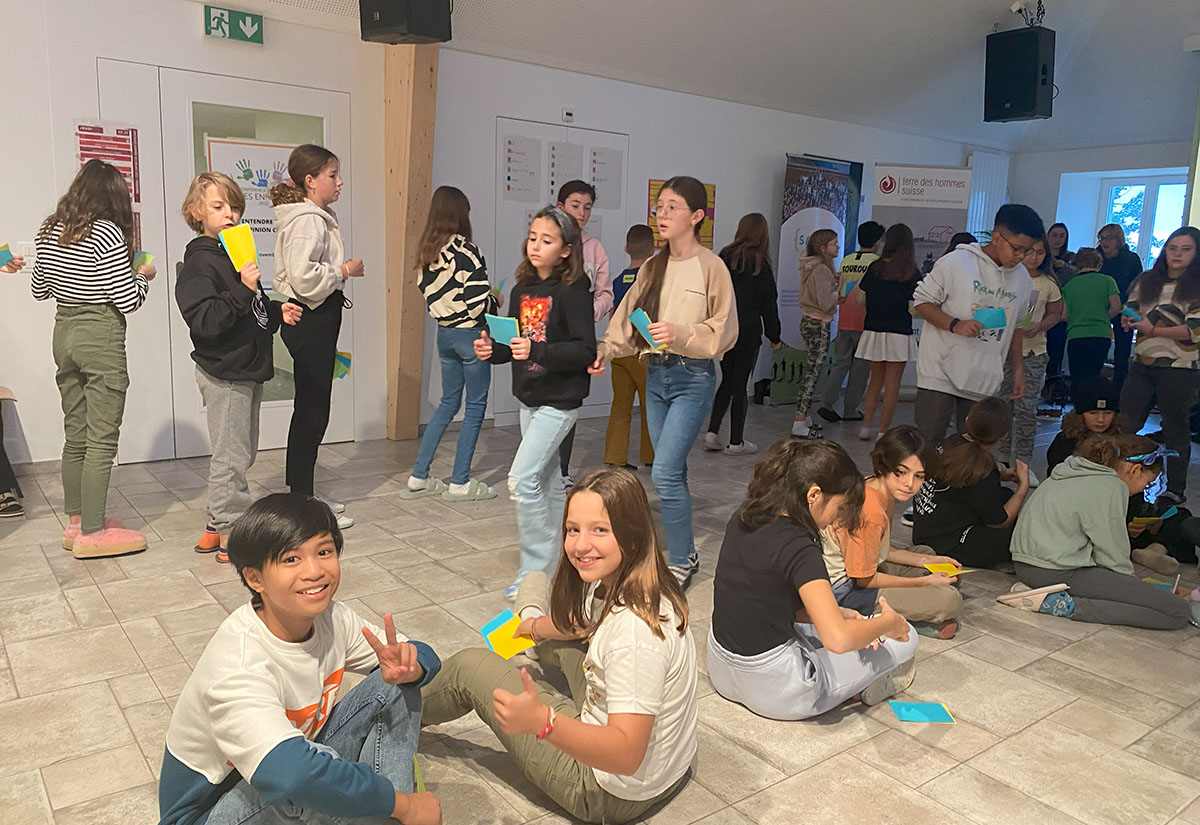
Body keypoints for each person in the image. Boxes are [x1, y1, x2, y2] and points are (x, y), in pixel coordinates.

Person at [422, 468, 697, 824]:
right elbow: (582, 623)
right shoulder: (641, 584)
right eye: (573, 529)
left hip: (608, 792)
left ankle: (379, 717)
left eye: (600, 529)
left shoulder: (633, 636)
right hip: (667, 771)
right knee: (552, 617)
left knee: (469, 667)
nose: (581, 545)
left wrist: (543, 721)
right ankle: (531, 626)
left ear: (632, 533)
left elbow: (627, 753)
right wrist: (534, 627)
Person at [157, 493, 442, 825]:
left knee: (395, 685)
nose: (315, 571)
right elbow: (287, 775)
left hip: (278, 771)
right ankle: (397, 811)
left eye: (324, 552)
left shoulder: (334, 618)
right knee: (304, 780)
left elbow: (425, 657)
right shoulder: (239, 663)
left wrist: (411, 664)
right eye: (291, 559)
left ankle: (389, 815)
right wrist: (403, 805)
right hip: (213, 812)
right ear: (255, 578)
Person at [589, 176, 737, 588]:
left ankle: (683, 556)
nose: (662, 214)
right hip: (655, 374)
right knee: (672, 471)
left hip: (693, 377)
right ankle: (682, 545)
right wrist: (605, 349)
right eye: (659, 206)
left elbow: (725, 330)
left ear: (696, 216)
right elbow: (625, 316)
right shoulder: (652, 266)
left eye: (672, 206)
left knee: (666, 471)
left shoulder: (712, 267)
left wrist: (683, 333)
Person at [707, 439, 917, 721]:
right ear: (814, 495)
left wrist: (841, 613)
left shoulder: (744, 516)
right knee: (906, 641)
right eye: (840, 508)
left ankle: (859, 679)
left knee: (839, 629)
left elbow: (762, 603)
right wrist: (889, 623)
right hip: (780, 690)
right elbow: (838, 639)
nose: (835, 520)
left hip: (720, 667)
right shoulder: (801, 546)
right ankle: (867, 682)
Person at [31, 159, 156, 558]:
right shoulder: (107, 233)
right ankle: (94, 530)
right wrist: (145, 275)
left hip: (63, 331)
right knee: (102, 438)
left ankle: (76, 522)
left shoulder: (50, 228)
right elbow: (127, 299)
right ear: (113, 195)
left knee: (76, 433)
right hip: (98, 333)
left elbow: (38, 288)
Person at [177, 172, 303, 563]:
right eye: (218, 207)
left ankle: (215, 527)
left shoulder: (233, 253)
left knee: (240, 452)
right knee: (231, 456)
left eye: (234, 207)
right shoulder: (200, 262)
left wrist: (275, 309)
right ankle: (233, 531)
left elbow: (250, 306)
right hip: (225, 371)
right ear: (197, 212)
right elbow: (206, 320)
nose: (229, 214)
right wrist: (243, 289)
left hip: (245, 367)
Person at [476, 206, 596, 598]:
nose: (536, 246)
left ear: (566, 249)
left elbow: (583, 350)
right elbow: (515, 346)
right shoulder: (522, 289)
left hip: (560, 401)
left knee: (521, 480)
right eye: (532, 237)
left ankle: (534, 571)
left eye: (547, 240)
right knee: (543, 482)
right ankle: (564, 563)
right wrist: (491, 350)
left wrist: (537, 349)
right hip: (529, 396)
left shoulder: (573, 291)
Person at [1004, 435, 1196, 630]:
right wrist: (1132, 589)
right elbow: (1113, 554)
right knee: (1177, 611)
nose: (1143, 490)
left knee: (1137, 595)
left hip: (1025, 566)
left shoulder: (1072, 471)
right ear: (1135, 470)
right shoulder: (1111, 486)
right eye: (1147, 483)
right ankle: (1067, 606)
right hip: (1054, 571)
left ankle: (1049, 596)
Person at [270, 144, 360, 530]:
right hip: (311, 317)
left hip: (316, 318)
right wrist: (343, 270)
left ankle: (303, 494)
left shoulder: (314, 217)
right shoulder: (308, 220)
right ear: (310, 182)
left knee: (312, 406)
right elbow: (305, 279)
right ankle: (302, 501)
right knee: (312, 410)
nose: (339, 182)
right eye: (332, 175)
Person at [912, 204, 1042, 445]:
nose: (1021, 257)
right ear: (996, 237)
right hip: (939, 372)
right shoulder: (956, 263)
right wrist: (954, 324)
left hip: (984, 375)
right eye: (1016, 248)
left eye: (1027, 251)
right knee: (929, 444)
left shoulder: (1022, 278)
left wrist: (1018, 368)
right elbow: (921, 302)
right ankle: (925, 484)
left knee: (972, 448)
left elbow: (1016, 326)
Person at [401, 186, 498, 503]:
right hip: (472, 335)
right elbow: (476, 304)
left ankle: (419, 476)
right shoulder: (467, 252)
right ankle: (460, 482)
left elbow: (429, 296)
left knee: (447, 403)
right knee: (475, 407)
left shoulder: (425, 254)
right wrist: (493, 302)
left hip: (443, 334)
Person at [1048, 378, 1200, 571]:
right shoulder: (1065, 443)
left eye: (1107, 413)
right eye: (1093, 413)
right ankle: (1148, 547)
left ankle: (1154, 550)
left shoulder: (1123, 440)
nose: (1101, 419)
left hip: (1129, 511)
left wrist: (1145, 518)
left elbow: (1136, 484)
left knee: (1177, 515)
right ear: (1080, 414)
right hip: (1094, 516)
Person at [826, 426, 963, 638]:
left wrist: (925, 560)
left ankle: (904, 613)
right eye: (901, 472)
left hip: (861, 572)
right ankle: (882, 621)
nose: (909, 484)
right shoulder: (870, 510)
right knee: (950, 600)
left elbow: (881, 549)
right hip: (846, 591)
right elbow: (864, 579)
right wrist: (923, 582)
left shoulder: (876, 485)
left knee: (926, 553)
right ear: (884, 465)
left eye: (919, 476)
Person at [1119, 226, 1200, 506]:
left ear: (1196, 252)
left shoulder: (1196, 284)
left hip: (1180, 365)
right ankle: (1117, 478)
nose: (1177, 254)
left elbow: (1195, 330)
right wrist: (1128, 319)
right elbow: (1130, 308)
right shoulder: (1147, 280)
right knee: (1126, 422)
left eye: (1185, 249)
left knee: (1175, 428)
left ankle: (1174, 489)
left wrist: (1154, 330)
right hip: (1142, 361)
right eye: (1172, 248)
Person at [911, 397, 1029, 568]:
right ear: (1003, 435)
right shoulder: (982, 468)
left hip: (925, 531)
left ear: (967, 420)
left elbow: (959, 481)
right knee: (1017, 533)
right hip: (948, 544)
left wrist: (1001, 475)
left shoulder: (949, 443)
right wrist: (1023, 487)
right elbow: (1000, 521)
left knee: (1004, 495)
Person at [704, 213, 781, 455]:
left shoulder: (725, 257)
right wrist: (774, 335)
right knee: (741, 384)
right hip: (749, 331)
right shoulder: (762, 264)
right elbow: (769, 304)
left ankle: (712, 432)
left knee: (726, 380)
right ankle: (736, 441)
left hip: (726, 328)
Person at [555, 180, 612, 487]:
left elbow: (606, 293)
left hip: (579, 337)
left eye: (587, 206)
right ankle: (542, 468)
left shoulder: (594, 248)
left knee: (570, 401)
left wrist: (588, 312)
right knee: (541, 401)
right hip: (546, 336)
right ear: (560, 206)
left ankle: (562, 471)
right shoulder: (546, 242)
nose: (582, 212)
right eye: (575, 205)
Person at [997, 236, 1063, 479]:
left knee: (1026, 409)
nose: (1034, 257)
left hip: (1034, 352)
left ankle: (1023, 462)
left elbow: (1056, 313)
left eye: (1040, 253)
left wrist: (1040, 325)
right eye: (1030, 252)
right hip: (1004, 352)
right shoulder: (1007, 277)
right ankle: (1002, 460)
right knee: (1003, 405)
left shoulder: (1048, 284)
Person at [851, 223, 920, 441]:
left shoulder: (875, 268)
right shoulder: (911, 271)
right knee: (893, 385)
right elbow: (915, 306)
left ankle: (865, 427)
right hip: (899, 332)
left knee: (874, 381)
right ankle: (882, 431)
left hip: (873, 329)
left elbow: (860, 297)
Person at [817, 221, 884, 423]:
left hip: (844, 318)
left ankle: (826, 403)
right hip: (866, 320)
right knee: (861, 368)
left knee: (840, 363)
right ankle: (850, 409)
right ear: (877, 241)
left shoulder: (847, 260)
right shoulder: (878, 263)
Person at [603, 225, 655, 470]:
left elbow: (614, 314)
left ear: (626, 248)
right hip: (641, 352)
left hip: (618, 352)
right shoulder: (651, 280)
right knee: (651, 406)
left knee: (620, 406)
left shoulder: (617, 280)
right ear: (654, 249)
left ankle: (615, 457)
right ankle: (651, 456)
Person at [791, 229, 840, 439]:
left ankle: (805, 416)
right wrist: (839, 292)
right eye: (834, 244)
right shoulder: (821, 270)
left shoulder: (815, 267)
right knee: (812, 374)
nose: (837, 247)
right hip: (819, 324)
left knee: (812, 371)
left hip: (811, 320)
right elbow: (825, 301)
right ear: (823, 248)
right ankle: (799, 421)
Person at [1060, 248, 1120, 384]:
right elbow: (1116, 307)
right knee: (1094, 376)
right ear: (1099, 264)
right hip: (1101, 334)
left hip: (1077, 335)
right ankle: (1092, 404)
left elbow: (1063, 315)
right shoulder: (1108, 281)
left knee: (1078, 376)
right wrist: (1103, 317)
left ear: (1076, 264)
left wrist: (1078, 317)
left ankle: (1079, 404)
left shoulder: (1069, 285)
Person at [1098, 223, 1145, 393]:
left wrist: (1133, 308)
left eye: (1109, 238)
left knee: (1123, 349)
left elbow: (1138, 285)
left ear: (1118, 240)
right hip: (1100, 308)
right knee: (1098, 345)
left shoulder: (1131, 259)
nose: (1105, 242)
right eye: (1102, 238)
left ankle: (1119, 389)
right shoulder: (1096, 258)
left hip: (1125, 307)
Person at [1044, 223, 1076, 383]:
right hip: (1038, 307)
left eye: (1061, 236)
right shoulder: (1040, 255)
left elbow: (1077, 280)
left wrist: (1066, 267)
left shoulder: (1071, 259)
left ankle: (1052, 386)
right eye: (1054, 235)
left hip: (1060, 311)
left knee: (1056, 349)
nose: (1057, 239)